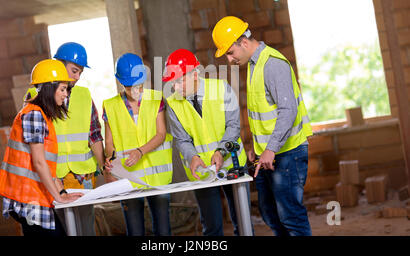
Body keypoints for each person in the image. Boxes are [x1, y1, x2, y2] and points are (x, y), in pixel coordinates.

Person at [212, 16, 313, 236]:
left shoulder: (272, 64)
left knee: (291, 217)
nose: (229, 60)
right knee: (270, 213)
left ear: (244, 43)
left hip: (288, 152)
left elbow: (288, 111)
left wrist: (270, 148)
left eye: (230, 52)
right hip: (268, 154)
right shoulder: (254, 65)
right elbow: (264, 114)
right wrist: (257, 147)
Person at [25, 42, 108, 235]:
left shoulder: (84, 95)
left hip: (83, 177)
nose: (77, 77)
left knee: (86, 230)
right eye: (74, 71)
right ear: (59, 65)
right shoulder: (36, 95)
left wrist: (104, 167)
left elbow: (94, 135)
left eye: (80, 73)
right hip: (55, 178)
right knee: (65, 231)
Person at [163, 48, 247, 236]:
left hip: (232, 163)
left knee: (242, 223)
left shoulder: (220, 88)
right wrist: (192, 157)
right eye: (173, 82)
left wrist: (221, 151)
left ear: (194, 73)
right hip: (201, 171)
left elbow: (233, 126)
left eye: (180, 80)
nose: (176, 87)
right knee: (211, 228)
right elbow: (182, 139)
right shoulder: (173, 103)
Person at [0, 59, 83, 236]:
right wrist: (59, 197)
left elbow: (47, 166)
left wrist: (62, 191)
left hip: (33, 195)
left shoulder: (41, 114)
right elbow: (38, 162)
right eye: (62, 89)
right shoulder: (34, 114)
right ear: (50, 88)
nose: (65, 94)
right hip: (28, 198)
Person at [103, 53, 173, 236]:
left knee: (163, 231)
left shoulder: (156, 98)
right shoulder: (110, 106)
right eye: (129, 86)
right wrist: (109, 161)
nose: (134, 90)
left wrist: (140, 152)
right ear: (120, 82)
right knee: (134, 231)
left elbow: (161, 134)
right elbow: (109, 142)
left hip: (157, 176)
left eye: (137, 85)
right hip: (128, 178)